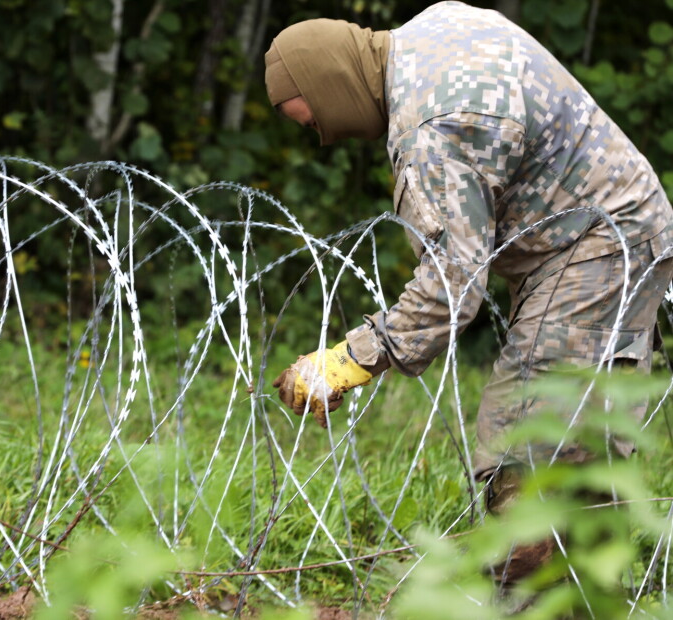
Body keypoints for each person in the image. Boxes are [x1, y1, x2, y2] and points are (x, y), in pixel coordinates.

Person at [266, 0, 673, 582]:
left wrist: (348, 361)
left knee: (529, 448)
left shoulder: (430, 128)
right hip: (609, 231)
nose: (323, 138)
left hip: (598, 247)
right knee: (572, 444)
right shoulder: (433, 29)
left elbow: (451, 289)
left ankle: (541, 591)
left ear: (330, 83)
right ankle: (586, 589)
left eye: (312, 122)